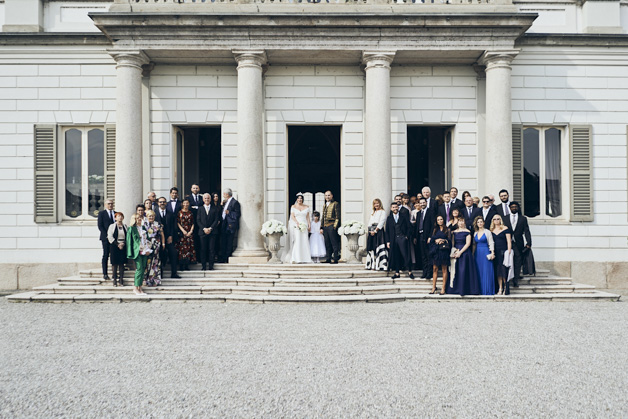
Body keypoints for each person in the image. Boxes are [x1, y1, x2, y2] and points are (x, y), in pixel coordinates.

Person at [447, 218, 480, 296]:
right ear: (457, 223)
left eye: (462, 221)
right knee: (456, 271)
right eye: (459, 221)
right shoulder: (454, 232)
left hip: (465, 253)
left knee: (463, 270)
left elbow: (468, 244)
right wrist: (454, 252)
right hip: (456, 251)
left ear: (464, 222)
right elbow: (452, 243)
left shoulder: (468, 232)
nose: (461, 223)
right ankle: (455, 289)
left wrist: (460, 252)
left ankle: (465, 289)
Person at [504, 201, 531, 288]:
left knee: (518, 261)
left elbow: (526, 231)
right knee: (508, 261)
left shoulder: (523, 218)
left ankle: (516, 280)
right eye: (512, 207)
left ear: (518, 208)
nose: (514, 208)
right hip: (507, 243)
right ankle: (507, 280)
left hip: (518, 243)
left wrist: (529, 242)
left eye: (516, 207)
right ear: (510, 208)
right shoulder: (505, 218)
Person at [385, 202, 414, 279]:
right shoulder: (389, 218)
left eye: (396, 207)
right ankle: (397, 273)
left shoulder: (403, 216)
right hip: (393, 239)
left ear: (398, 208)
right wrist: (388, 241)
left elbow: (409, 227)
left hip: (402, 238)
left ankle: (410, 271)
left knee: (406, 255)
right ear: (391, 209)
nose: (395, 208)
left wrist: (406, 236)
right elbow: (387, 231)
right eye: (393, 207)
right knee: (396, 256)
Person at [155, 196, 180, 279]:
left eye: (164, 202)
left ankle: (174, 273)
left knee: (173, 253)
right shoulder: (154, 213)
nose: (162, 203)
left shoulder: (170, 213)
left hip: (168, 237)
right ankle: (160, 274)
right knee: (160, 255)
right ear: (158, 203)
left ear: (166, 203)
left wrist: (171, 236)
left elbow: (173, 226)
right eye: (160, 202)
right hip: (157, 238)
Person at [283, 194, 312, 264]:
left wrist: (309, 225)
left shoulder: (306, 207)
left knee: (304, 240)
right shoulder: (293, 207)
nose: (300, 200)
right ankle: (296, 258)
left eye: (301, 198)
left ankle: (306, 258)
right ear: (296, 199)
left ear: (302, 199)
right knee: (297, 240)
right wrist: (297, 223)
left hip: (304, 225)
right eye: (298, 198)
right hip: (297, 225)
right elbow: (292, 216)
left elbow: (307, 217)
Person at [427, 215, 451, 295]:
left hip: (444, 251)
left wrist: (443, 240)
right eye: (438, 220)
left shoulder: (447, 229)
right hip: (436, 251)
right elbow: (431, 240)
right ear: (436, 221)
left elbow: (450, 241)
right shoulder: (434, 230)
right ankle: (433, 287)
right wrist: (436, 241)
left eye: (441, 219)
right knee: (435, 268)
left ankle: (443, 288)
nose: (440, 221)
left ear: (443, 220)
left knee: (444, 269)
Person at [126, 214, 149, 296]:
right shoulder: (131, 228)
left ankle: (140, 288)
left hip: (144, 250)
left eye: (140, 218)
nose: (139, 219)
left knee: (143, 269)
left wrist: (148, 248)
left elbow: (146, 239)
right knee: (139, 269)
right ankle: (135, 287)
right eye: (137, 218)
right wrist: (130, 252)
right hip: (137, 251)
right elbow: (129, 241)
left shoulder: (143, 228)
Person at [197, 193, 220, 270]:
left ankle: (211, 266)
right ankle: (203, 266)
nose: (207, 200)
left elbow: (216, 220)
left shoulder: (214, 209)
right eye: (205, 198)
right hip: (202, 232)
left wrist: (210, 228)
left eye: (208, 198)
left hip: (212, 232)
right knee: (203, 249)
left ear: (210, 199)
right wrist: (204, 228)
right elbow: (198, 220)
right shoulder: (200, 209)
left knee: (211, 249)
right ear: (203, 200)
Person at [473, 216, 495, 295]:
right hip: (477, 253)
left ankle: (487, 290)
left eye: (481, 222)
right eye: (478, 222)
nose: (480, 223)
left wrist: (492, 253)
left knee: (486, 271)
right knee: (479, 271)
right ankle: (479, 290)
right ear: (476, 223)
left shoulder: (487, 232)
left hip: (485, 252)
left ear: (484, 223)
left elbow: (491, 242)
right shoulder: (475, 233)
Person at [491, 214, 512, 295]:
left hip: (504, 252)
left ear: (501, 220)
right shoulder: (491, 230)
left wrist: (509, 252)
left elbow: (509, 242)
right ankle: (500, 288)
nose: (496, 221)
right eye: (495, 219)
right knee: (498, 271)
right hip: (495, 252)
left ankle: (506, 288)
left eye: (498, 219)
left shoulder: (505, 228)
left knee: (504, 271)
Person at [415, 197, 435, 279]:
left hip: (428, 236)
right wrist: (415, 237)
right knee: (423, 255)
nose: (422, 204)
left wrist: (430, 236)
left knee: (428, 255)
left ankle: (429, 273)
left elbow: (433, 226)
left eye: (424, 202)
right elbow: (417, 225)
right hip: (420, 235)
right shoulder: (418, 213)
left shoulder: (431, 212)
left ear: (426, 203)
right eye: (421, 203)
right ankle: (424, 272)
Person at [365, 198, 387, 271]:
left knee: (378, 247)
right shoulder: (373, 212)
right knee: (371, 248)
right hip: (371, 231)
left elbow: (381, 222)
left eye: (377, 203)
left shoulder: (382, 212)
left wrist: (375, 230)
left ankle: (379, 265)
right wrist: (370, 231)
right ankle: (371, 265)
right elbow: (369, 222)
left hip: (379, 231)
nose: (376, 205)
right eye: (375, 204)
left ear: (380, 204)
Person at [144, 210, 165, 286]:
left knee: (155, 263)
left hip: (156, 244)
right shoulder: (144, 224)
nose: (151, 217)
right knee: (147, 262)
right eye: (150, 216)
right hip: (147, 245)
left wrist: (163, 243)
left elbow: (162, 234)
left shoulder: (157, 224)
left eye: (152, 216)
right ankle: (145, 280)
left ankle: (154, 280)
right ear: (147, 216)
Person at [107, 212, 127, 287]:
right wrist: (118, 244)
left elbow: (127, 236)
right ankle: (114, 279)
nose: (120, 218)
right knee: (114, 264)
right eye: (118, 216)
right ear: (115, 218)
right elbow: (110, 237)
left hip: (123, 245)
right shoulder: (112, 226)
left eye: (121, 216)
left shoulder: (125, 226)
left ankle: (121, 279)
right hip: (114, 246)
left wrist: (123, 244)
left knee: (122, 263)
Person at [220, 188, 240, 263]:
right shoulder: (226, 202)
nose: (223, 195)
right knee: (223, 242)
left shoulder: (235, 202)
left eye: (224, 194)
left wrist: (229, 213)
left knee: (229, 242)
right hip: (224, 224)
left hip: (230, 225)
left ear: (227, 194)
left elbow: (237, 214)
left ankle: (227, 258)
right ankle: (223, 257)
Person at [176, 198, 197, 271]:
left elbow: (193, 223)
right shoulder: (179, 213)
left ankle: (187, 265)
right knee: (182, 249)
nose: (186, 205)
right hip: (182, 233)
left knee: (188, 248)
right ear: (182, 204)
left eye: (187, 203)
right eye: (184, 203)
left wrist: (191, 231)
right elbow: (178, 222)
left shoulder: (191, 213)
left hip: (189, 232)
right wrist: (183, 231)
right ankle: (182, 265)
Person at [97, 199, 115, 280]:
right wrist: (107, 235)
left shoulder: (115, 213)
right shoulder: (102, 213)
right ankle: (105, 273)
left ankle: (114, 273)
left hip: (114, 239)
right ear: (105, 205)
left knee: (114, 256)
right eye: (109, 204)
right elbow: (100, 226)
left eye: (111, 204)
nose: (110, 205)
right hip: (105, 238)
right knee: (106, 255)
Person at [320, 190, 340, 264]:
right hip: (325, 226)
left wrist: (335, 226)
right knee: (327, 243)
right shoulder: (324, 205)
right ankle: (328, 258)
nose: (327, 197)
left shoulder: (335, 204)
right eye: (326, 195)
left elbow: (338, 217)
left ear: (332, 196)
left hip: (331, 225)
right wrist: (321, 227)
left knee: (334, 243)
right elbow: (323, 217)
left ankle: (335, 258)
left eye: (328, 195)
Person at [212, 193, 222, 263]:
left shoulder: (220, 206)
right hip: (212, 226)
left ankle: (218, 256)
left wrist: (219, 221)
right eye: (214, 196)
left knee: (219, 241)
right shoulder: (211, 206)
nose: (216, 198)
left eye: (217, 196)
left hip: (219, 226)